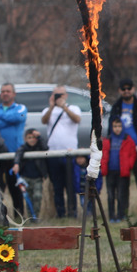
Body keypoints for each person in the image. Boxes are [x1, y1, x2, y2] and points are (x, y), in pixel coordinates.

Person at [107, 79, 137, 213]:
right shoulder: (116, 108)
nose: (126, 91)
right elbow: (110, 129)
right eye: (123, 88)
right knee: (123, 184)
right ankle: (123, 212)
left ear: (134, 89)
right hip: (121, 151)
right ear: (119, 90)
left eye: (129, 88)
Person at [0, 82, 28, 220]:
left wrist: (0, 118)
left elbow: (18, 117)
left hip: (15, 155)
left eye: (8, 91)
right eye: (3, 91)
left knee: (15, 188)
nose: (5, 93)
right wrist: (8, 120)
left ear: (13, 94)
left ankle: (19, 216)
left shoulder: (21, 108)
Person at [41, 85, 82, 219]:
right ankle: (60, 213)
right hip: (53, 153)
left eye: (61, 94)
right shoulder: (48, 110)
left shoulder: (73, 108)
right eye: (56, 95)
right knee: (57, 186)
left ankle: (72, 212)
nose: (59, 97)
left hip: (69, 153)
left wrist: (64, 107)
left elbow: (77, 119)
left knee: (70, 184)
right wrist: (53, 106)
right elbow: (44, 121)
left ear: (66, 95)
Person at [101, 117, 136, 222]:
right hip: (110, 171)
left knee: (122, 195)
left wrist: (128, 165)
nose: (117, 129)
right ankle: (112, 216)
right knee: (110, 195)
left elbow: (132, 155)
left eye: (119, 126)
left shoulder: (127, 139)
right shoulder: (107, 140)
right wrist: (103, 167)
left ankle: (121, 215)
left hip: (122, 172)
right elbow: (103, 155)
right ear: (112, 127)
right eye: (115, 126)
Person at [11, 128, 48, 220]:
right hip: (26, 178)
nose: (32, 139)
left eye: (34, 137)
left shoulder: (40, 147)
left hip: (37, 178)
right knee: (28, 198)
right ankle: (31, 217)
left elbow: (45, 147)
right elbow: (18, 154)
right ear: (25, 139)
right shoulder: (23, 148)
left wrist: (39, 136)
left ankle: (36, 215)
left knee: (38, 196)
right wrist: (16, 164)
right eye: (29, 137)